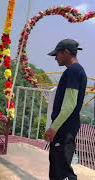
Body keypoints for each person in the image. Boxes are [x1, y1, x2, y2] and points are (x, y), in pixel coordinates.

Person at [45, 39, 87, 180]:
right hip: (67, 128)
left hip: (64, 129)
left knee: (62, 171)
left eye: (57, 54)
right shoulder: (76, 71)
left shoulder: (73, 71)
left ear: (66, 52)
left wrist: (53, 128)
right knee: (59, 167)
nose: (56, 58)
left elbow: (69, 105)